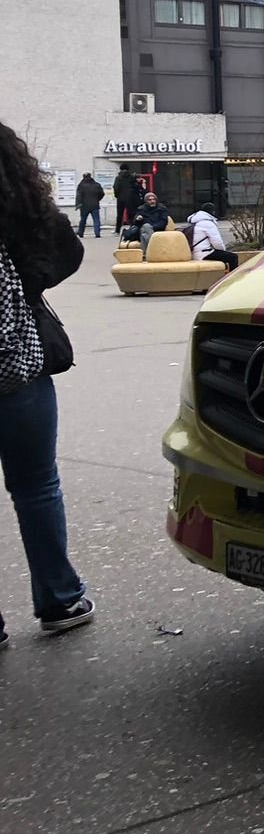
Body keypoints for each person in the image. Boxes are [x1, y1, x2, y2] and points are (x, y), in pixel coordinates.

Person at [0, 122, 95, 646]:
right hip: (19, 368)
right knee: (36, 487)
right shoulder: (23, 208)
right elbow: (69, 251)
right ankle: (59, 599)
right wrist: (26, 285)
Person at [73, 173, 104, 239]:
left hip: (84, 206)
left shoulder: (81, 185)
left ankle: (81, 233)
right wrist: (97, 199)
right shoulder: (96, 185)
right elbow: (102, 194)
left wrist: (78, 204)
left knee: (83, 220)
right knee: (96, 220)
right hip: (95, 205)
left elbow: (79, 195)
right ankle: (97, 233)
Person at [111, 166, 139, 233]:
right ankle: (133, 228)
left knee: (119, 215)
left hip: (120, 198)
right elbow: (136, 187)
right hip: (130, 198)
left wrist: (117, 195)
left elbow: (116, 187)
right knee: (131, 214)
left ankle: (117, 230)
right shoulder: (131, 177)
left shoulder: (118, 178)